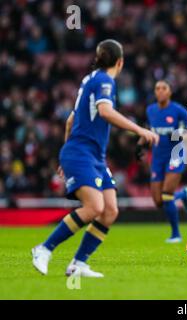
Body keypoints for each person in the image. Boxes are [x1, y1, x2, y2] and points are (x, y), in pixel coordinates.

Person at [31, 39, 159, 277]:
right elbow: (105, 112)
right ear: (120, 62)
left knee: (110, 210)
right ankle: (44, 248)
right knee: (94, 207)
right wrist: (140, 130)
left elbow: (71, 120)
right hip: (82, 154)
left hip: (90, 156)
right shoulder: (104, 80)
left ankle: (78, 264)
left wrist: (66, 154)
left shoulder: (89, 80)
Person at [137, 80, 187, 243]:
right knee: (158, 200)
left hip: (176, 154)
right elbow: (148, 130)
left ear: (169, 92)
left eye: (164, 88)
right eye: (157, 89)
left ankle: (176, 234)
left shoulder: (178, 111)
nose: (160, 91)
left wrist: (178, 135)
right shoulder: (150, 110)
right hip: (157, 157)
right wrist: (139, 145)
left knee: (167, 193)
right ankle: (183, 194)